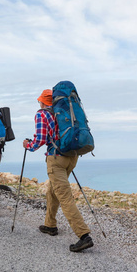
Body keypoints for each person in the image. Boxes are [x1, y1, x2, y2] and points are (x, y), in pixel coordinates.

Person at [22, 89, 94, 252]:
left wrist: (28, 146)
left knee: (64, 196)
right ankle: (50, 225)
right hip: (71, 157)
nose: (39, 103)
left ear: (42, 101)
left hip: (56, 159)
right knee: (52, 191)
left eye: (40, 100)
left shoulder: (42, 114)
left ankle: (84, 236)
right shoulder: (63, 112)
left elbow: (40, 139)